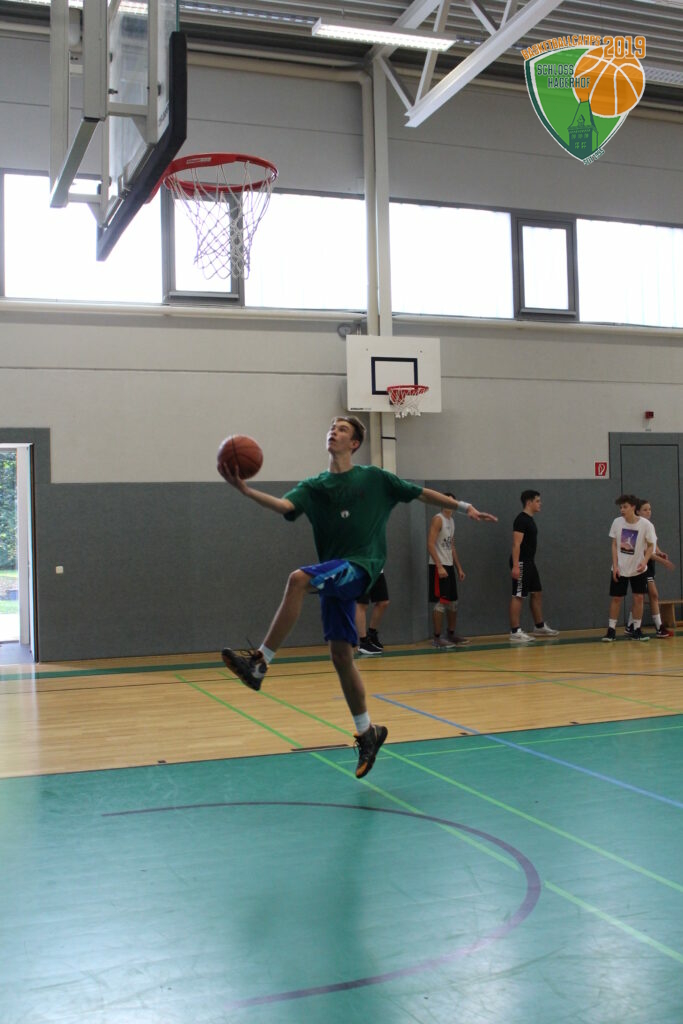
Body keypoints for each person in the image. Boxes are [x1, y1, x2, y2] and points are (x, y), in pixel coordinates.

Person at [218, 415, 497, 779]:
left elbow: (419, 493)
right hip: (335, 574)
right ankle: (368, 732)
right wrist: (245, 490)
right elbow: (285, 507)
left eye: (342, 429)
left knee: (298, 579)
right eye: (331, 428)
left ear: (354, 444)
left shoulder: (375, 478)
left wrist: (463, 507)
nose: (333, 431)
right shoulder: (315, 487)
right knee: (341, 656)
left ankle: (259, 663)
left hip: (361, 565)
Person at [602, 493, 656, 642]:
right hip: (620, 568)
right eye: (621, 507)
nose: (622, 510)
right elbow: (614, 545)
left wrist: (644, 561)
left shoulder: (646, 525)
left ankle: (637, 630)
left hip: (638, 569)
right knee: (616, 598)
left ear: (633, 507)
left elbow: (651, 546)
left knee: (639, 597)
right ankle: (611, 630)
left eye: (625, 507)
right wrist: (615, 565)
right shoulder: (617, 522)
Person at [509, 489, 559, 643]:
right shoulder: (521, 520)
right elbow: (516, 544)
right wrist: (516, 566)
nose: (540, 503)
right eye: (537, 501)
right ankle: (515, 632)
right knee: (518, 595)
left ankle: (539, 626)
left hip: (530, 562)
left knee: (537, 593)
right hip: (521, 562)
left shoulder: (530, 519)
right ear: (529, 502)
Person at [625, 499, 675, 639]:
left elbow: (653, 544)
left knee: (642, 596)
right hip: (642, 565)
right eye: (645, 509)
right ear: (638, 511)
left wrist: (659, 552)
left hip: (649, 565)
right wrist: (663, 561)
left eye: (650, 509)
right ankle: (659, 627)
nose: (648, 512)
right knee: (651, 595)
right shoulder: (637, 526)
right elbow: (646, 551)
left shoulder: (649, 526)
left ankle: (630, 625)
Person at [428, 494, 471, 647]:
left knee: (453, 602)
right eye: (447, 501)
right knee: (441, 602)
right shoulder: (438, 519)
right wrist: (439, 565)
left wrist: (458, 567)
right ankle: (436, 638)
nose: (450, 503)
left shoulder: (451, 521)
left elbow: (451, 546)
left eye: (452, 501)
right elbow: (430, 544)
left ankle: (451, 634)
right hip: (438, 566)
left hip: (449, 565)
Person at [355, 571, 389, 655]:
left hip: (377, 569)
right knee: (361, 604)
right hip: (362, 569)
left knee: (383, 602)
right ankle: (363, 642)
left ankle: (371, 634)